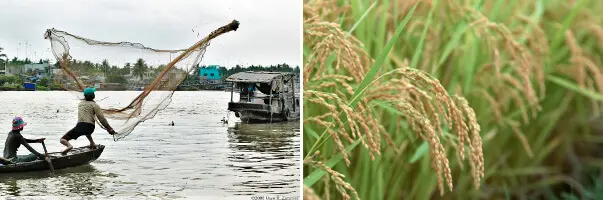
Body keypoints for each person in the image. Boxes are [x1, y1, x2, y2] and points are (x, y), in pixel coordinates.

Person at [60, 87, 116, 155]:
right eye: (93, 93)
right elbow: (101, 118)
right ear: (93, 96)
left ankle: (69, 146)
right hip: (90, 128)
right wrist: (109, 128)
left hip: (80, 127)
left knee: (63, 139)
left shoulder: (80, 104)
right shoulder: (95, 105)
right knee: (86, 131)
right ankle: (92, 143)